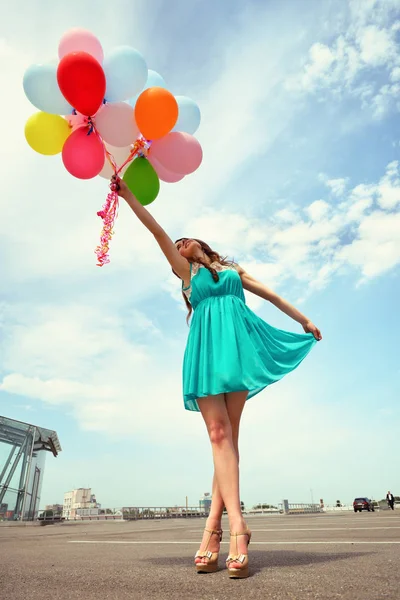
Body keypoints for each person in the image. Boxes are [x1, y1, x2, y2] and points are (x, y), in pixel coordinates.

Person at [113, 176, 322, 578]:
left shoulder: (230, 270)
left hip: (237, 352)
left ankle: (211, 531)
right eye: (176, 246)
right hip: (207, 355)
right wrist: (128, 197)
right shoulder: (186, 274)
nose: (178, 245)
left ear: (203, 244)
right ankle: (237, 528)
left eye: (185, 241)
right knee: (219, 437)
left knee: (227, 440)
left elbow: (271, 295)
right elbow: (156, 230)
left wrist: (305, 320)